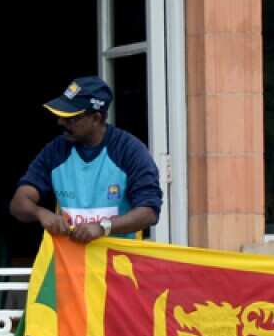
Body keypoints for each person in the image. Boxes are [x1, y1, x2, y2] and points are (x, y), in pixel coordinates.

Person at [10, 76, 162, 242]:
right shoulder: (56, 151)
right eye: (61, 115)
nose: (61, 122)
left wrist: (102, 227)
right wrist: (40, 213)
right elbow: (19, 203)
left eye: (70, 118)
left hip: (119, 262)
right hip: (72, 262)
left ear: (96, 118)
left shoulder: (129, 150)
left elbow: (149, 211)